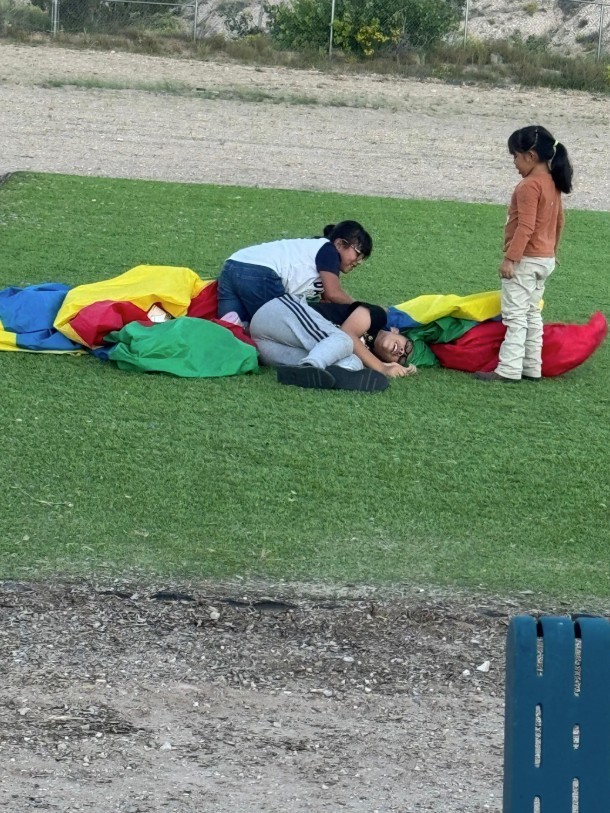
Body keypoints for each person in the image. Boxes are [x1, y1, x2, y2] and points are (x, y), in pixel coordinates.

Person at [475, 125, 573, 383]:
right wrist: (554, 249)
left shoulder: (528, 186)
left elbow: (525, 226)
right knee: (532, 314)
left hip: (527, 261)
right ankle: (532, 367)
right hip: (545, 259)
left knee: (516, 316)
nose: (514, 163)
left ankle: (508, 370)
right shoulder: (553, 182)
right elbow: (560, 220)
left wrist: (511, 259)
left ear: (530, 155)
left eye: (515, 156)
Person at [249, 295, 416, 393]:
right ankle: (310, 365)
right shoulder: (378, 316)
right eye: (406, 346)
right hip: (277, 314)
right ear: (395, 330)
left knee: (353, 362)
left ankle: (313, 373)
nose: (401, 351)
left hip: (267, 347)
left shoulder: (365, 356)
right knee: (344, 340)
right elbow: (348, 332)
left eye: (402, 358)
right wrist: (382, 368)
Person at [216, 221, 372, 323]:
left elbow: (327, 299)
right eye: (358, 253)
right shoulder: (329, 250)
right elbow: (334, 293)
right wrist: (365, 308)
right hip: (259, 273)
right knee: (276, 326)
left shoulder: (316, 249)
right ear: (339, 244)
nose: (358, 262)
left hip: (232, 265)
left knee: (230, 327)